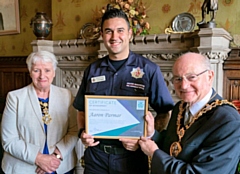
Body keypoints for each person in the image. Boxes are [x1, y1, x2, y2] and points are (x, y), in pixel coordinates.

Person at [73, 7, 174, 174]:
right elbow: (81, 109)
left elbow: (164, 112)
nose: (114, 37)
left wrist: (147, 136)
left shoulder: (149, 70)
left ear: (129, 34)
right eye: (108, 31)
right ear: (102, 35)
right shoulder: (92, 70)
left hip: (132, 158)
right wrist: (82, 133)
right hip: (96, 157)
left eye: (120, 30)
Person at [139, 52, 240, 174]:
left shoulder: (227, 120)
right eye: (178, 79)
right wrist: (152, 134)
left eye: (192, 77)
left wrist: (154, 153)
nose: (184, 85)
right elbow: (172, 146)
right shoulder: (180, 107)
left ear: (210, 76)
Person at [1, 51, 78, 173]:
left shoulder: (66, 95)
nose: (42, 76)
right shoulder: (15, 97)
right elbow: (9, 140)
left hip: (59, 166)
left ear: (54, 72)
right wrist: (39, 159)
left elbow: (74, 130)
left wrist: (55, 157)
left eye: (47, 70)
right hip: (24, 168)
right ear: (30, 72)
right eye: (36, 70)